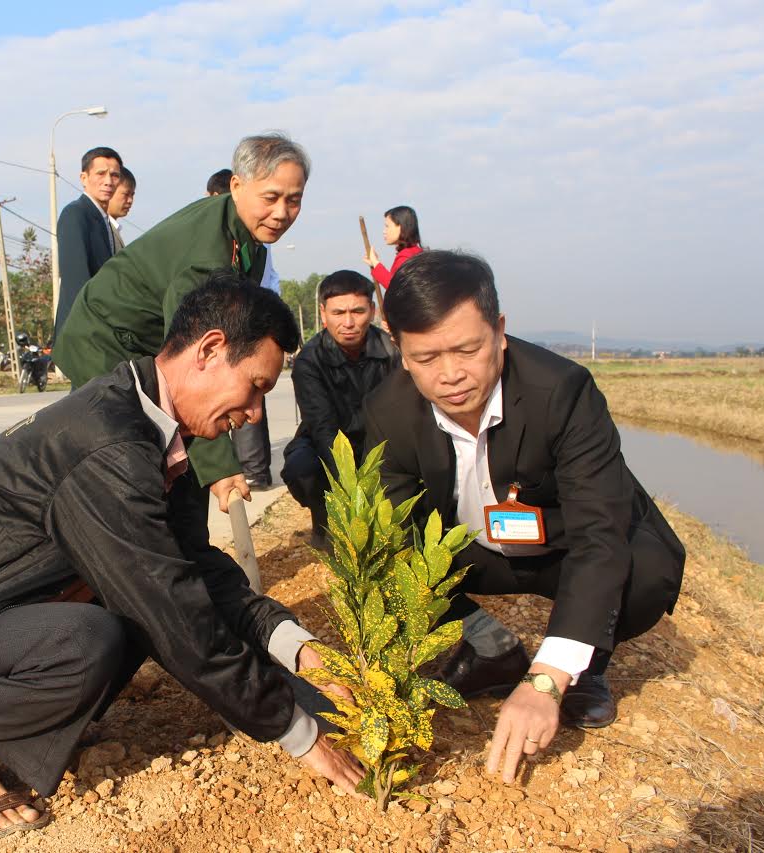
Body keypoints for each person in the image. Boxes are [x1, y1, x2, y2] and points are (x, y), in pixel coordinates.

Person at [0, 277, 363, 841]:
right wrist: (296, 731)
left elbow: (191, 567)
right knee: (97, 636)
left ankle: (33, 722)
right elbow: (171, 608)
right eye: (254, 387)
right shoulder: (111, 447)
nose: (252, 412)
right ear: (211, 349)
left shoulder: (154, 428)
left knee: (125, 617)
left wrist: (295, 647)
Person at [361, 250, 686, 785]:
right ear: (399, 350)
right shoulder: (388, 411)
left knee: (645, 568)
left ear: (501, 331)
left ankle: (583, 667)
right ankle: (490, 650)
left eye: (468, 349)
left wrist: (547, 680)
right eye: (426, 358)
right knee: (373, 545)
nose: (450, 375)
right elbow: (396, 526)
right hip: (471, 549)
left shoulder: (562, 392)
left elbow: (599, 537)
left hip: (560, 544)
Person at [54, 133, 309, 513]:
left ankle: (188, 558)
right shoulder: (208, 253)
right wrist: (221, 465)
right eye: (270, 197)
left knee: (175, 462)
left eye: (294, 199)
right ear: (237, 186)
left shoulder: (247, 239)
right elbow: (193, 367)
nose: (282, 212)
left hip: (146, 346)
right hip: (106, 342)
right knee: (127, 457)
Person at [281, 270, 396, 547]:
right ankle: (324, 524)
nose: (348, 322)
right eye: (338, 312)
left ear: (372, 310)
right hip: (327, 441)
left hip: (381, 442)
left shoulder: (393, 351)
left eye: (357, 311)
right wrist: (350, 489)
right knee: (302, 467)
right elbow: (323, 429)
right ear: (323, 313)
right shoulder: (309, 360)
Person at [205, 166, 278, 487]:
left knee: (245, 397)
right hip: (247, 322)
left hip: (246, 326)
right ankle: (254, 470)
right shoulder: (218, 240)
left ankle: (252, 470)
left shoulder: (250, 240)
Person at [54, 146, 123, 333]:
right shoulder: (75, 214)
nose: (108, 181)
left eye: (115, 175)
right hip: (80, 333)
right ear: (84, 178)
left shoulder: (104, 221)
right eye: (101, 173)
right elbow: (77, 282)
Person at [365, 205, 423, 292]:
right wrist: (374, 264)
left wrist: (375, 263)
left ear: (401, 226)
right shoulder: (417, 252)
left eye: (387, 226)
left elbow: (395, 287)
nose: (384, 231)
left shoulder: (406, 256)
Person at [107, 167, 135, 252]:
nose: (130, 200)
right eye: (126, 194)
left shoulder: (113, 229)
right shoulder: (102, 229)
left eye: (132, 195)